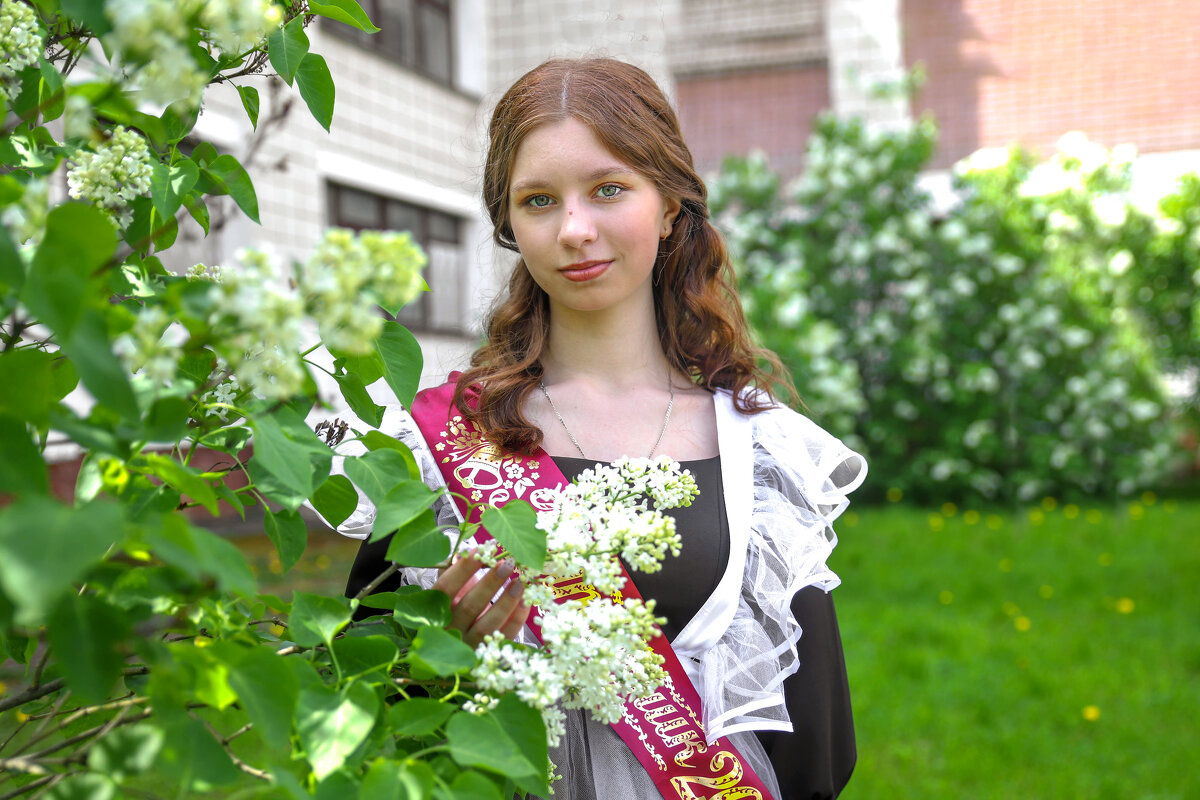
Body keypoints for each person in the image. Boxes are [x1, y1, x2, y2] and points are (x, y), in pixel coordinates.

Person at [336, 57, 867, 799]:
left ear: (671, 205)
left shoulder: (762, 452)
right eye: (540, 200)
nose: (575, 229)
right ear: (509, 223)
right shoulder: (442, 444)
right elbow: (358, 710)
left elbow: (815, 744)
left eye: (609, 189)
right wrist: (440, 661)